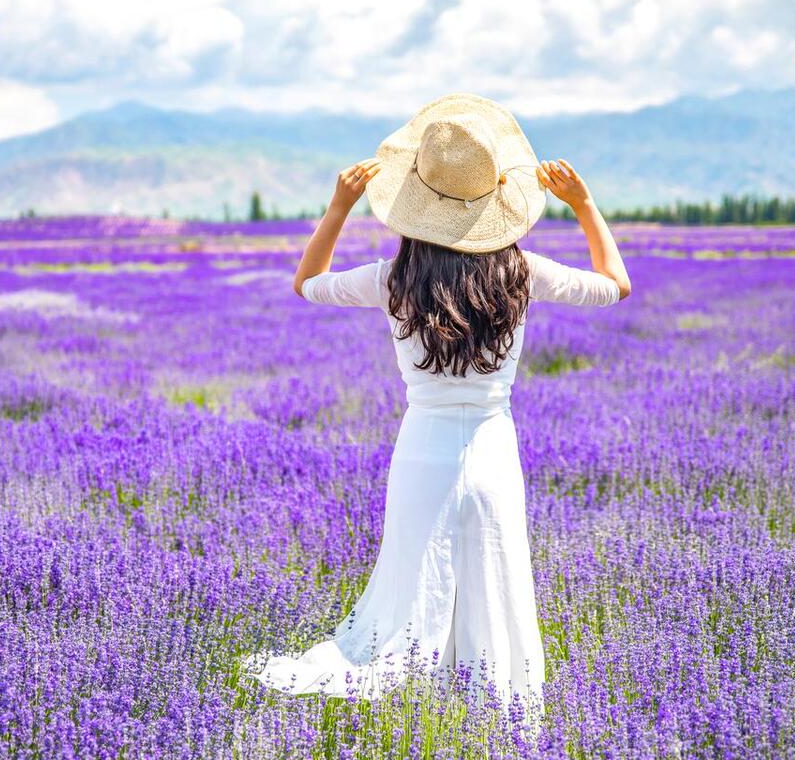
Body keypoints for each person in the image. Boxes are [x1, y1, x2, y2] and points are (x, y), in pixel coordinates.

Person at [240, 93, 631, 727]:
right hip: (493, 451)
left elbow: (306, 284)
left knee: (412, 583)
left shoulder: (391, 281)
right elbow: (616, 285)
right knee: (492, 577)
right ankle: (488, 703)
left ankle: (417, 692)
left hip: (421, 451)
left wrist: (338, 208)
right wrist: (584, 207)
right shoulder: (522, 274)